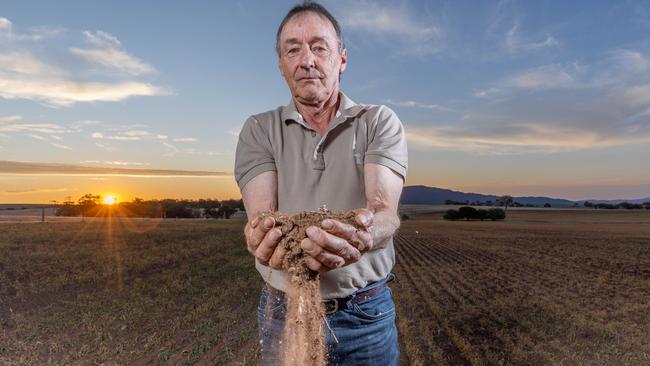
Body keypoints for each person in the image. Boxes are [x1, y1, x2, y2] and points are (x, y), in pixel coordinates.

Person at [234, 1, 407, 365]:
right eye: (292, 49)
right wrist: (260, 238)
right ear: (281, 64)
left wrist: (364, 235)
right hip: (284, 311)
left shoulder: (377, 121)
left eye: (318, 47)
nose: (306, 60)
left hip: (365, 314)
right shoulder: (259, 129)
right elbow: (262, 216)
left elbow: (384, 211)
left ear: (341, 59)